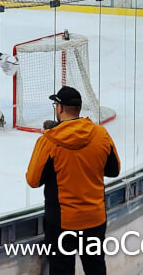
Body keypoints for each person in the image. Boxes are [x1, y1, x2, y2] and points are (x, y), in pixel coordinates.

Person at [26, 86, 121, 275]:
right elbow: (113, 170)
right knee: (96, 268)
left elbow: (33, 180)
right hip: (94, 218)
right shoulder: (101, 134)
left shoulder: (49, 141)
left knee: (61, 270)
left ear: (60, 108)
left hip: (62, 222)